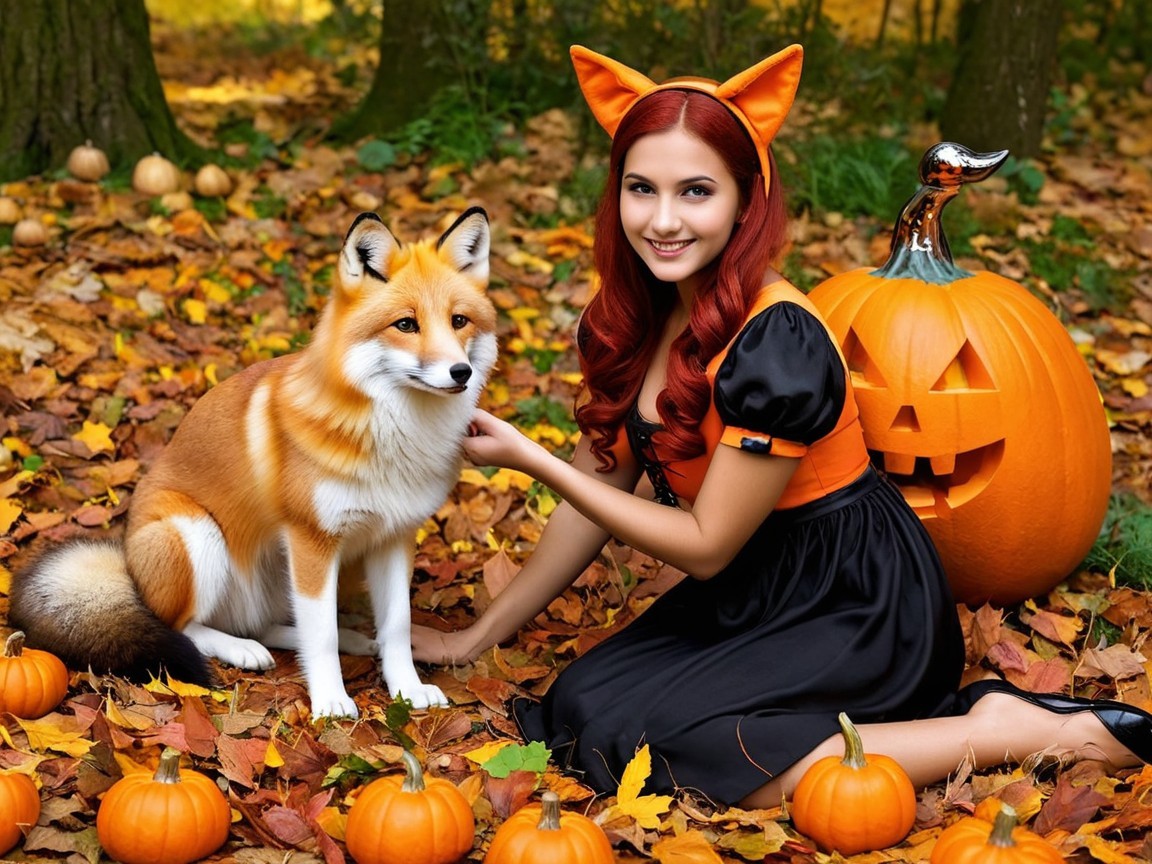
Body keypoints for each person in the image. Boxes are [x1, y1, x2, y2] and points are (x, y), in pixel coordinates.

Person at [412, 44, 1152, 807]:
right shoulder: (641, 314)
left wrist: (532, 459)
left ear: (746, 200)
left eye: (696, 192)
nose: (662, 220)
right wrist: (477, 636)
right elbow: (594, 490)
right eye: (641, 189)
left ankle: (1003, 730)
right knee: (586, 709)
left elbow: (705, 546)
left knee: (698, 754)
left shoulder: (778, 341)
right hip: (755, 587)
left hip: (853, 599)